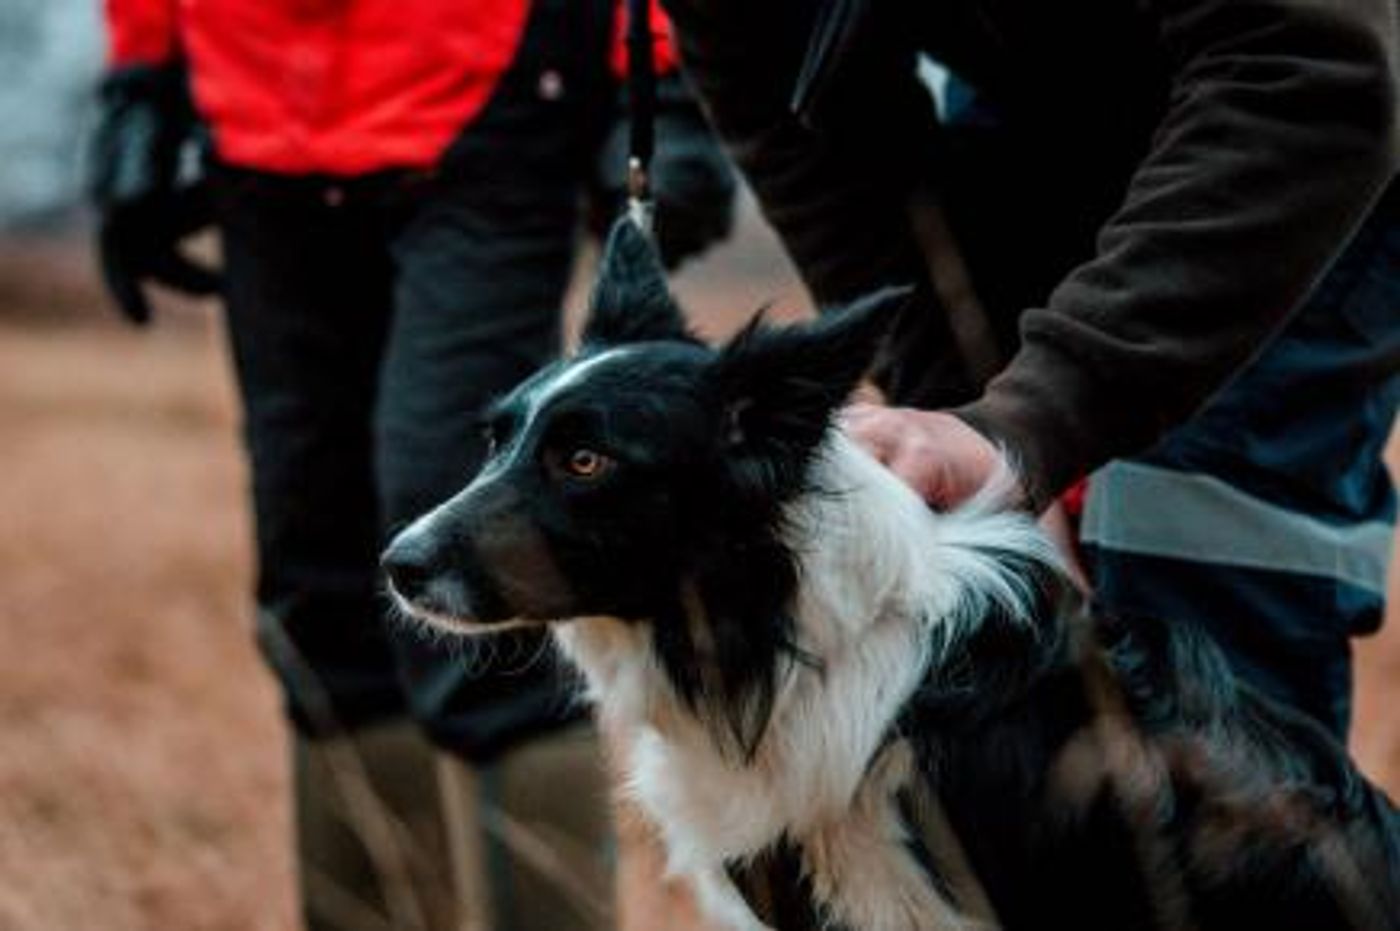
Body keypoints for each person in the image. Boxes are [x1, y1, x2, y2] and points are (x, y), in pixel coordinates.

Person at [89, 1, 734, 929]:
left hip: (488, 77)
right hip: (252, 98)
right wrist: (141, 69)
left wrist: (662, 71)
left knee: (487, 554)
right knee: (316, 579)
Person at [658, 0, 1398, 739]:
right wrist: (969, 420)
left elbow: (1314, 73)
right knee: (1006, 607)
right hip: (1044, 81)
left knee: (1185, 553)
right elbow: (799, 112)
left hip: (1312, 94)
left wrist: (1026, 427)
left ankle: (1245, 838)